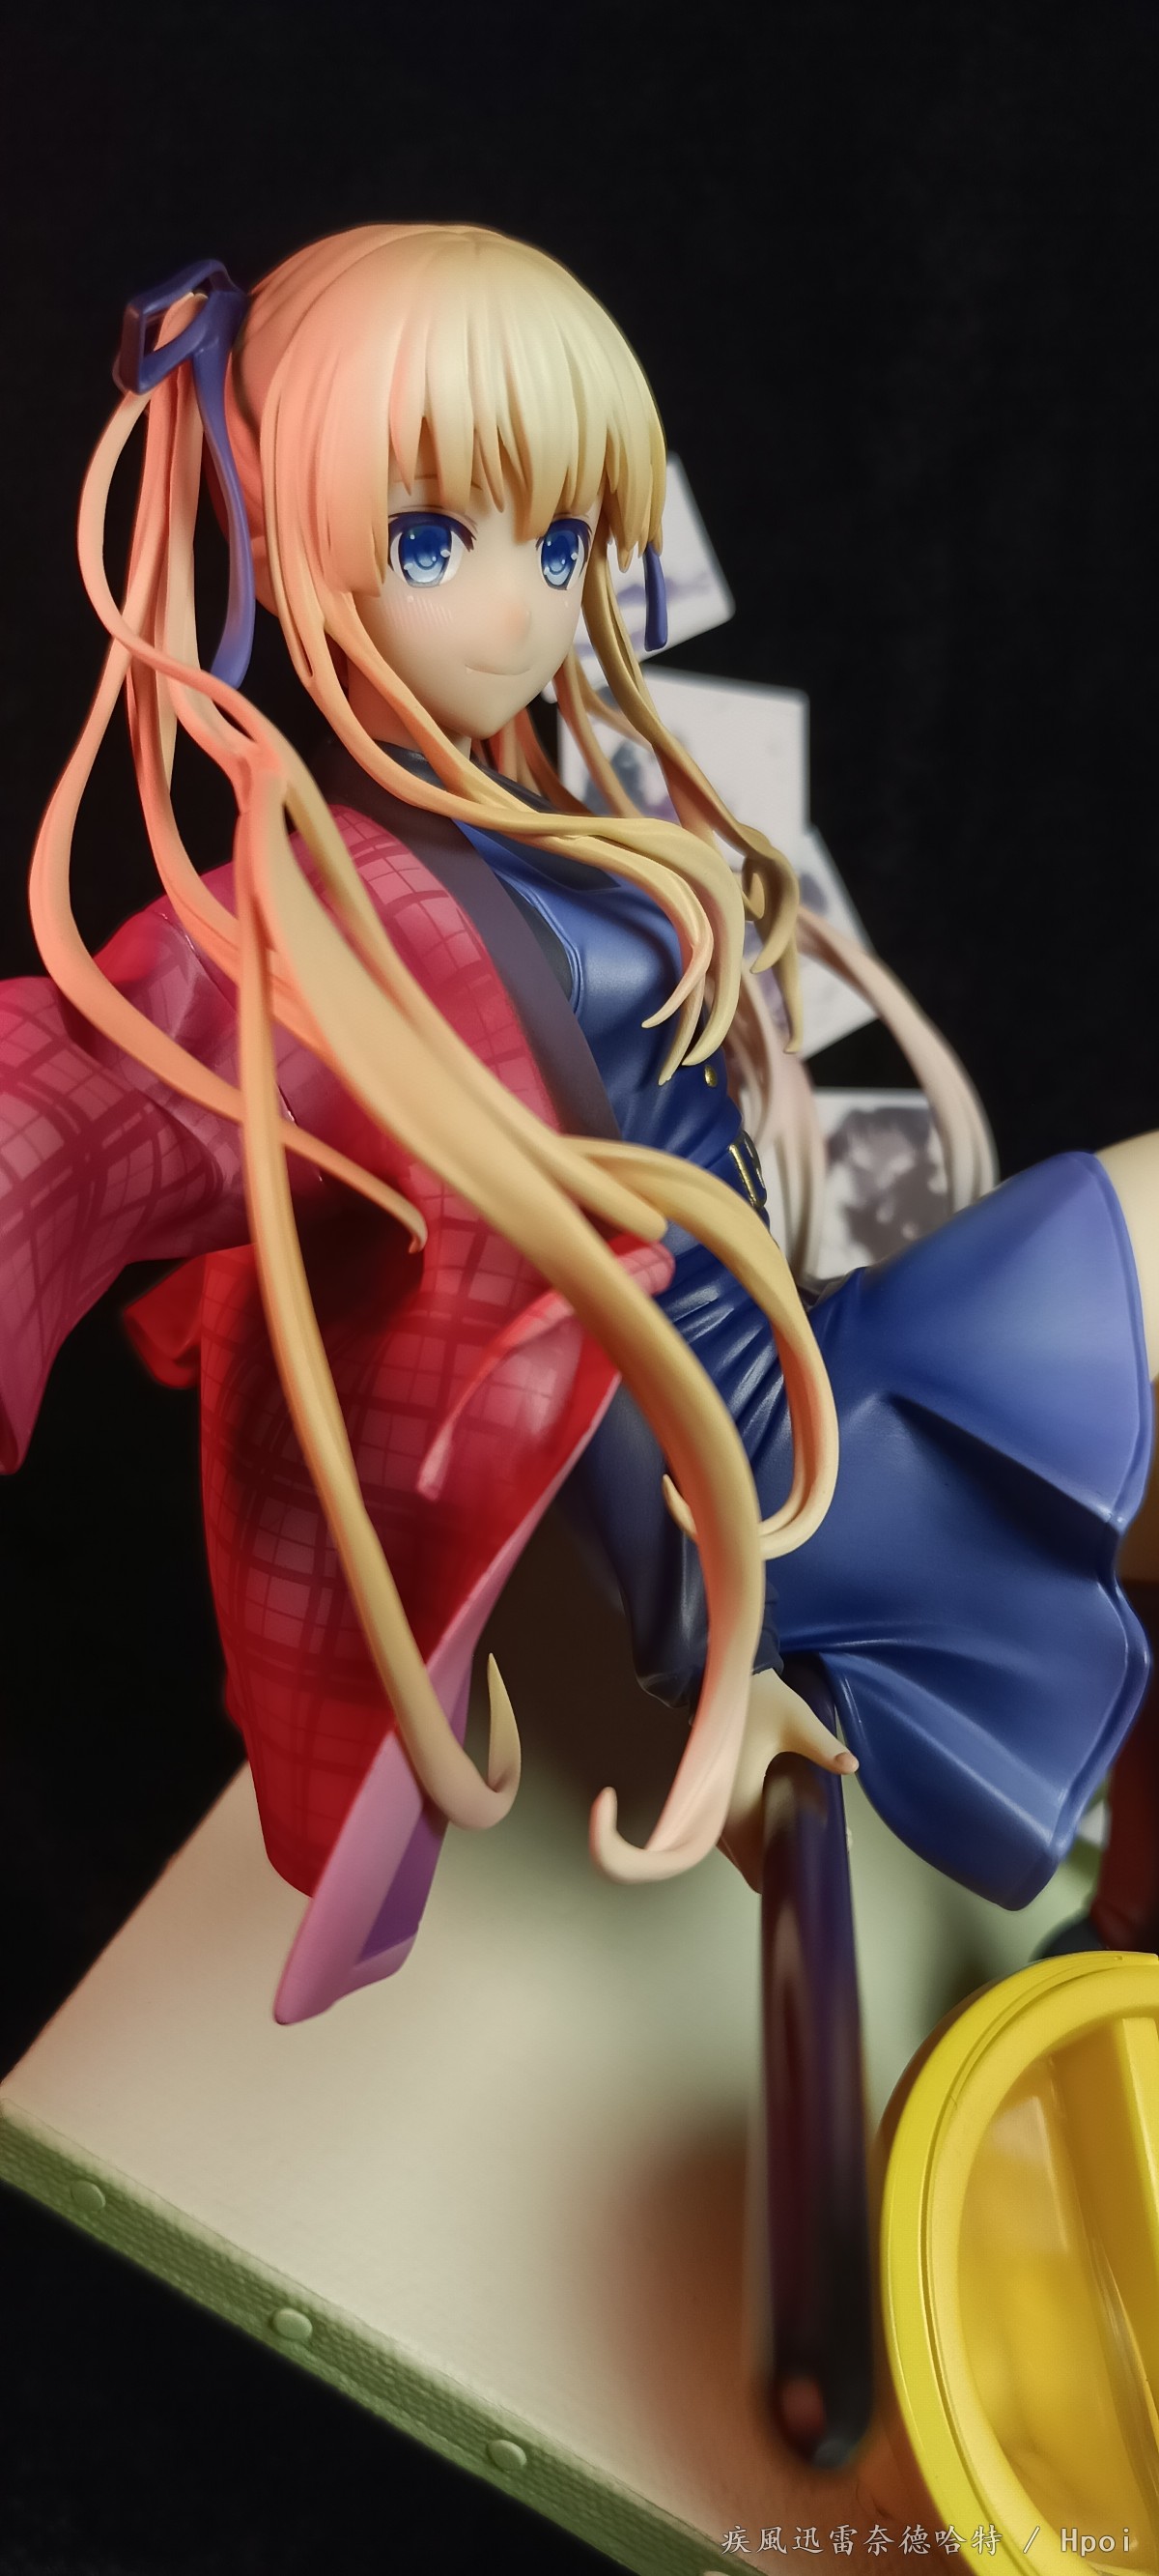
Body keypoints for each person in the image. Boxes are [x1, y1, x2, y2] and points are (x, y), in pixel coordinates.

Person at [3, 225, 1154, 2015]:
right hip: (755, 1481)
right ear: (286, 544)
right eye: (433, 541)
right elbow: (74, 1114)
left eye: (560, 547)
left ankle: (1131, 1910)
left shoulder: (546, 805)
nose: (521, 611)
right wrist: (711, 1637)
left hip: (797, 1379)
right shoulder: (323, 932)